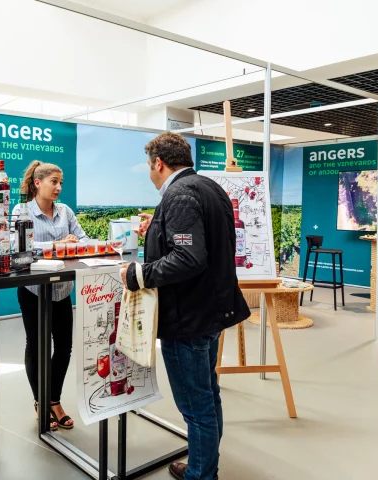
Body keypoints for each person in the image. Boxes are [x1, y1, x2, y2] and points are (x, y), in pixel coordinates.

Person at [120, 132, 250, 480]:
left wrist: (139, 275)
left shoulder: (178, 195)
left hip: (188, 317)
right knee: (209, 396)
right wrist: (158, 232)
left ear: (158, 164)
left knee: (196, 408)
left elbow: (189, 257)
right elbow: (203, 246)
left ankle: (201, 475)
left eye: (150, 167)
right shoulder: (210, 187)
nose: (150, 174)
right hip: (212, 312)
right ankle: (201, 466)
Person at [13, 160, 88, 430]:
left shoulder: (65, 212)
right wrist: (57, 245)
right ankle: (40, 401)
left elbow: (82, 238)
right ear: (37, 183)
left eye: (60, 183)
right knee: (37, 347)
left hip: (61, 291)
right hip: (34, 292)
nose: (58, 187)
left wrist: (79, 243)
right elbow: (18, 247)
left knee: (64, 348)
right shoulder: (22, 211)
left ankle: (54, 400)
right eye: (53, 182)